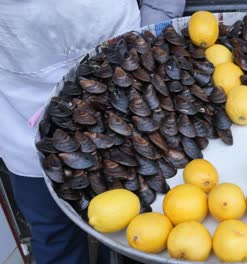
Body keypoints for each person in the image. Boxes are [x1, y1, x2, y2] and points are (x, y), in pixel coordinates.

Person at [0, 0, 185, 263]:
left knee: (135, 230)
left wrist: (153, 23)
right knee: (54, 235)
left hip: (123, 73)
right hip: (20, 103)